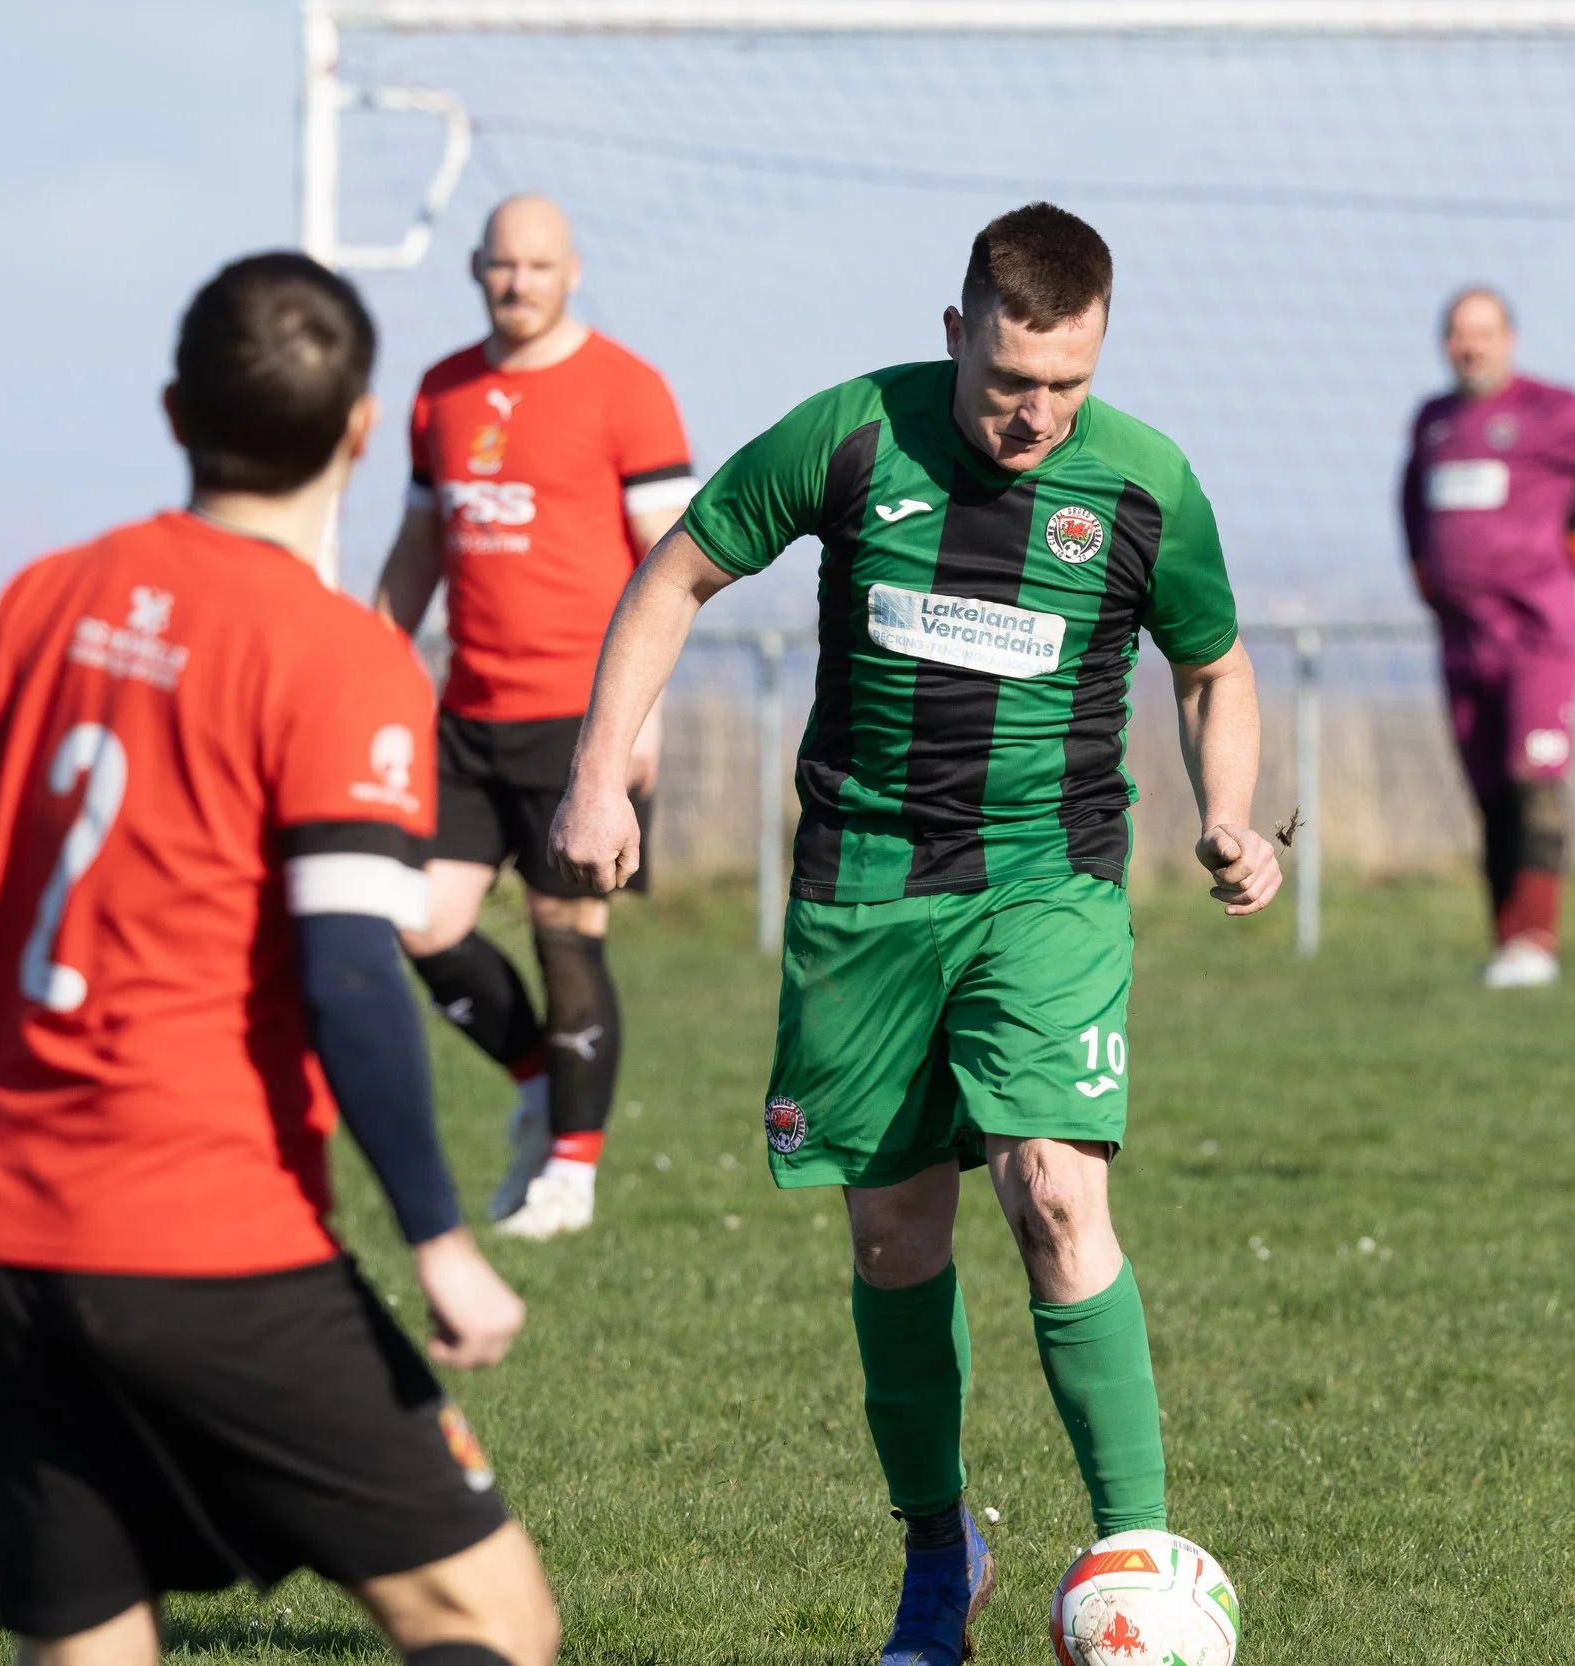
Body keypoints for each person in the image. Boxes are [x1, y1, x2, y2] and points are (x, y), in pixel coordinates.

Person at [548, 202, 1281, 1666]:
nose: (1037, 414)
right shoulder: (852, 436)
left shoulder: (1146, 486)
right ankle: (941, 1555)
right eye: (1013, 379)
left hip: (1047, 883)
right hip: (865, 888)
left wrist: (1233, 810)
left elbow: (1212, 666)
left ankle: (1140, 1556)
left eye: (1067, 384)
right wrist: (594, 772)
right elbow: (677, 572)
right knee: (894, 1238)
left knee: (1056, 1191)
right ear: (958, 334)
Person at [0, 254, 558, 1666]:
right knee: (487, 1615)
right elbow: (351, 965)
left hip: (14, 1234)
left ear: (175, 407)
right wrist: (438, 1238)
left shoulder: (52, 594)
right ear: (365, 429)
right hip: (208, 1235)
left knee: (93, 1639)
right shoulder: (339, 656)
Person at [375, 193, 699, 1239]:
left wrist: (637, 719)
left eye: (537, 265)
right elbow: (418, 553)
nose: (517, 283)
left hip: (580, 720)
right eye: (500, 265)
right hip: (466, 716)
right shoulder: (440, 392)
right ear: (475, 269)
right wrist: (369, 669)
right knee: (420, 921)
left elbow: (675, 567)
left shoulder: (629, 388)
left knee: (568, 935)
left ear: (571, 268)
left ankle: (571, 1169)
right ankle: (532, 1080)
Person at [1401, 287, 1575, 988]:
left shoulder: (1552, 409)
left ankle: (1537, 941)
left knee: (1534, 778)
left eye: (1483, 333)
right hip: (1462, 638)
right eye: (1458, 333)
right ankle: (1506, 940)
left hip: (1537, 633)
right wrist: (1426, 575)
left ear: (1509, 339)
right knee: (1487, 789)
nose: (1471, 346)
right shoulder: (1433, 421)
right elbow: (1411, 501)